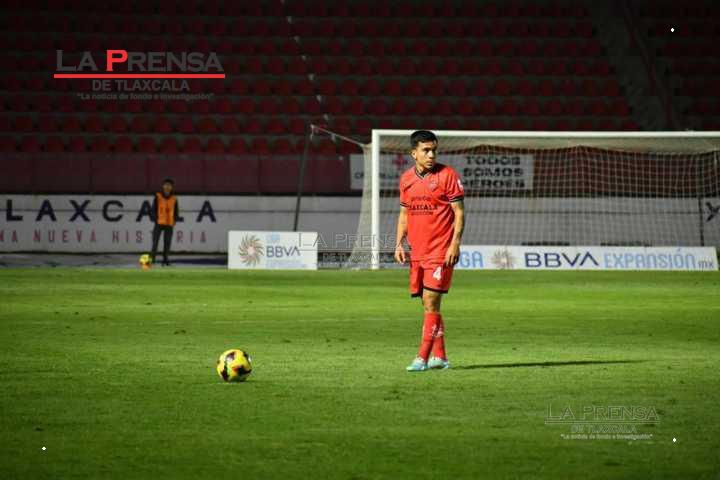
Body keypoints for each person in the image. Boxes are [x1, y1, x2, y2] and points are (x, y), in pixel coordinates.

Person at [394, 131, 465, 372]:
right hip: (418, 251)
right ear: (414, 153)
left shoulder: (447, 175)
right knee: (428, 305)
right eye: (426, 150)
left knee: (431, 301)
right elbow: (404, 214)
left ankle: (421, 358)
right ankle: (440, 357)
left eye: (434, 150)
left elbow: (459, 212)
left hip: (440, 251)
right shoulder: (406, 179)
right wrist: (399, 243)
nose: (431, 154)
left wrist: (455, 243)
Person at [150, 178, 179, 266]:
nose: (167, 187)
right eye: (166, 185)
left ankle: (165, 260)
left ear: (171, 187)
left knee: (167, 243)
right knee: (155, 242)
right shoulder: (158, 196)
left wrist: (175, 220)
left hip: (169, 224)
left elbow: (176, 211)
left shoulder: (174, 198)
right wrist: (155, 219)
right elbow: (153, 209)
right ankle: (152, 260)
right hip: (159, 223)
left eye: (169, 185)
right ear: (163, 186)